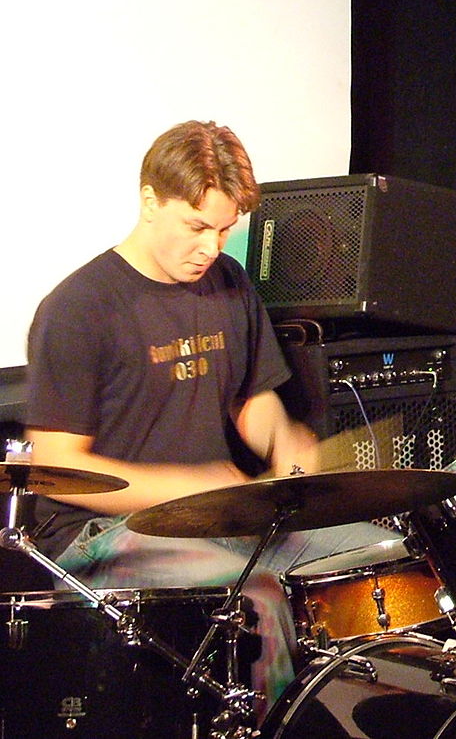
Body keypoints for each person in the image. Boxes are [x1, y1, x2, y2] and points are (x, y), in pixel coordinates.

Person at [23, 120, 395, 721]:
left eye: (224, 230)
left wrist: (283, 442)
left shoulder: (229, 285)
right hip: (97, 539)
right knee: (255, 593)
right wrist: (189, 488)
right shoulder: (78, 309)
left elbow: (252, 400)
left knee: (380, 554)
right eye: (196, 227)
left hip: (214, 519)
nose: (211, 248)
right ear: (149, 200)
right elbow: (56, 465)